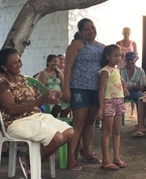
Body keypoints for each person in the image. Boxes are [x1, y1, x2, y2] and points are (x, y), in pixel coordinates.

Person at [0, 48, 73, 178]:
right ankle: (30, 164)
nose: (20, 64)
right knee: (57, 138)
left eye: (19, 60)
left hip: (34, 116)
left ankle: (28, 160)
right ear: (4, 67)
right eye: (15, 63)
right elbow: (11, 109)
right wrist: (39, 100)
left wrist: (51, 96)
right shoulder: (2, 82)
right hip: (14, 122)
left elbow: (35, 97)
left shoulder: (21, 78)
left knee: (69, 132)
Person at [63, 18, 104, 170]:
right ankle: (71, 157)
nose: (91, 31)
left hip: (95, 89)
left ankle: (86, 151)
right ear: (80, 32)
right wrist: (66, 88)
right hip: (79, 88)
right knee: (78, 122)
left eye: (92, 28)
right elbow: (68, 68)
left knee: (90, 122)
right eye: (87, 29)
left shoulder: (101, 47)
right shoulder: (76, 45)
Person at [98, 44, 128, 170]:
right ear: (108, 56)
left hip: (119, 101)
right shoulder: (105, 71)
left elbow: (120, 84)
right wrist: (101, 107)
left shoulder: (117, 70)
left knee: (117, 131)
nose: (118, 58)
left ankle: (116, 157)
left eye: (120, 56)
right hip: (109, 101)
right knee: (107, 131)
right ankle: (105, 160)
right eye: (115, 56)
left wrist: (124, 89)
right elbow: (101, 89)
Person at [116, 27, 139, 119]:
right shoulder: (118, 43)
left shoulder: (133, 43)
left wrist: (132, 61)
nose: (126, 35)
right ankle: (120, 111)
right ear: (122, 33)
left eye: (128, 33)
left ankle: (132, 112)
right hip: (120, 66)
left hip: (130, 65)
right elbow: (115, 53)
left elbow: (136, 54)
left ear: (130, 33)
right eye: (125, 33)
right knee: (121, 86)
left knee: (131, 85)